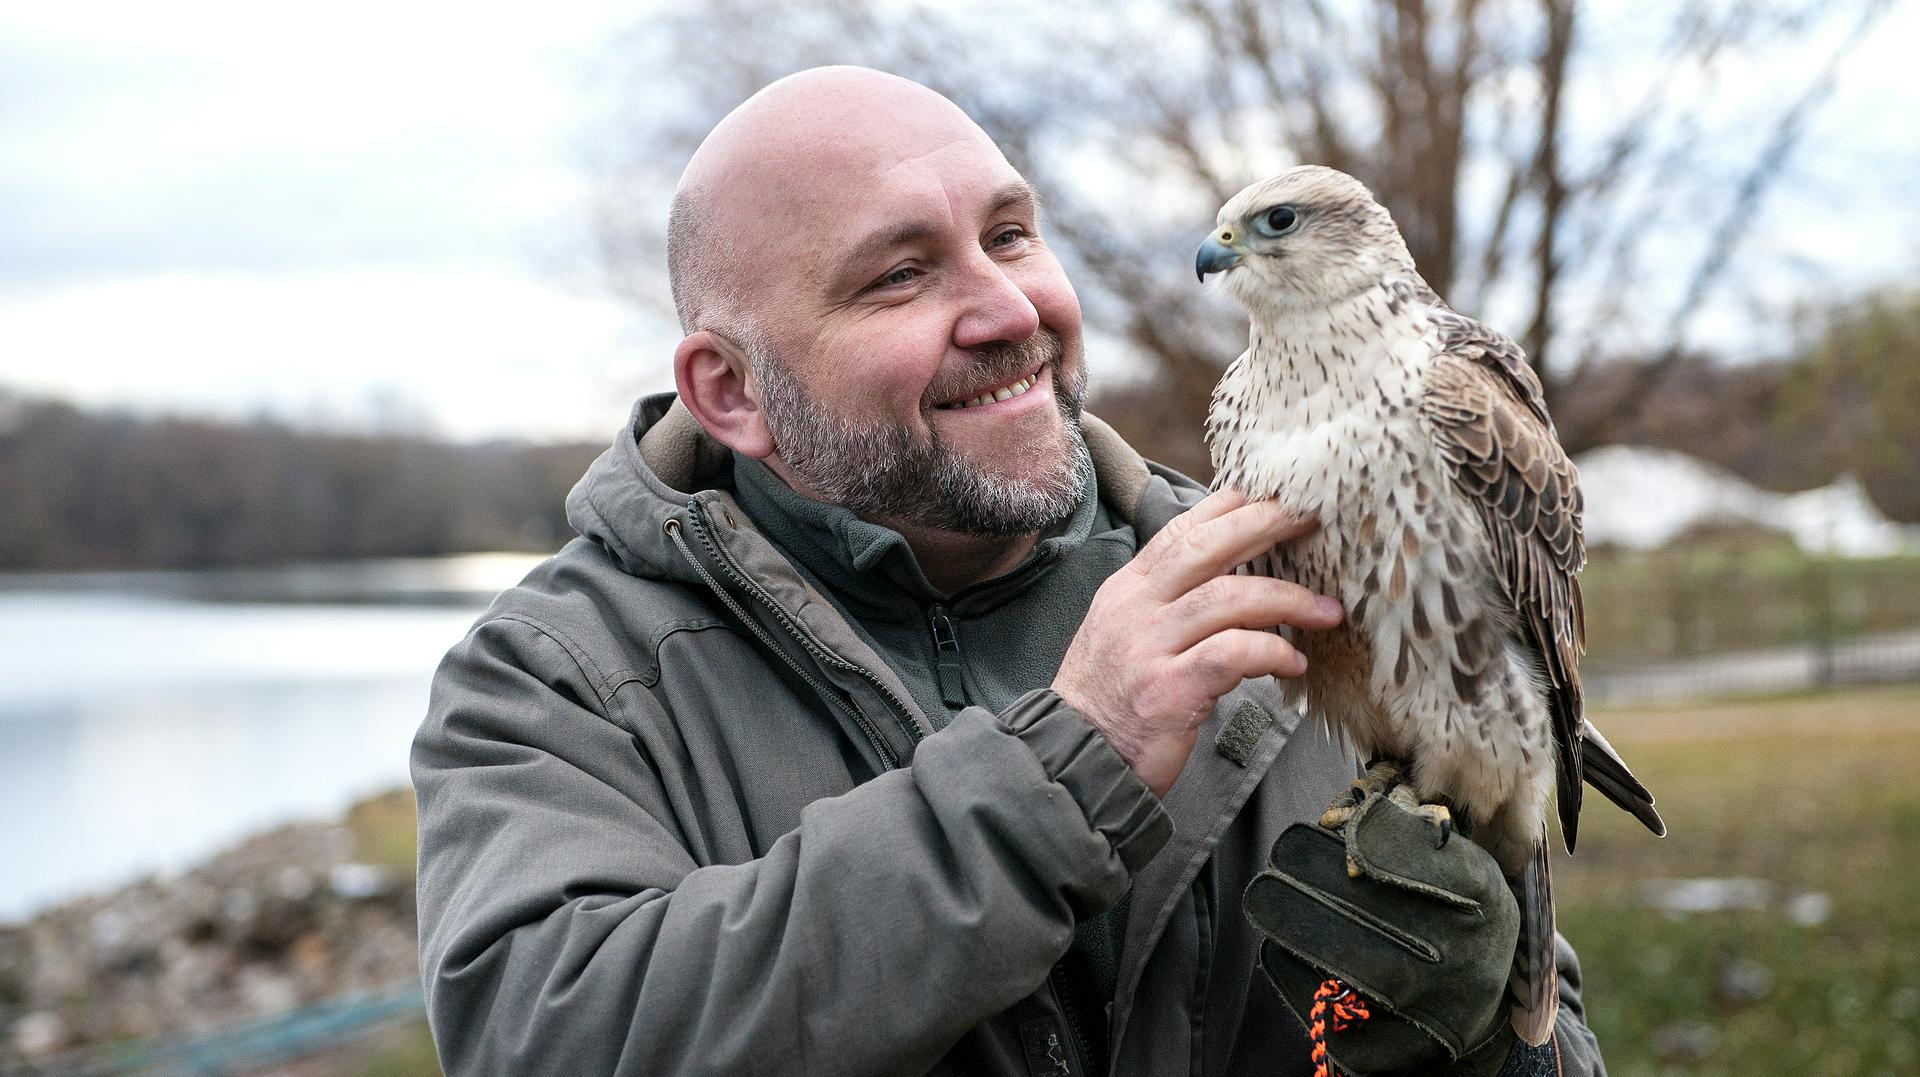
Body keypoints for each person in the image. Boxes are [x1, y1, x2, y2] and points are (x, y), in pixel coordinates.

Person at [412, 66, 1605, 1076]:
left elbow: (1553, 1037)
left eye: (1010, 236)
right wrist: (1066, 770)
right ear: (730, 392)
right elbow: (550, 1034)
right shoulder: (553, 681)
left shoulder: (1266, 572)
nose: (1006, 308)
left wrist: (1486, 1050)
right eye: (899, 274)